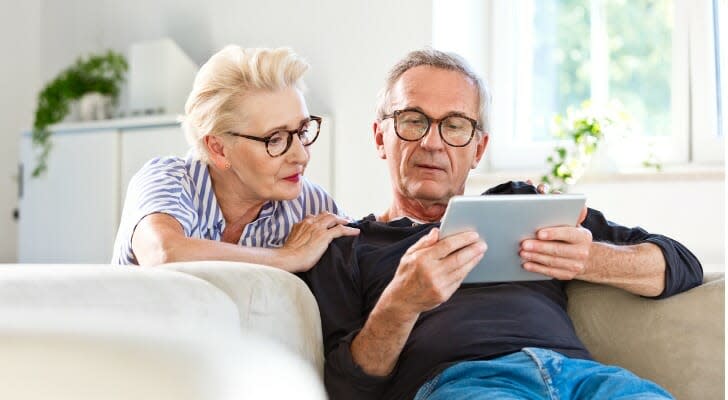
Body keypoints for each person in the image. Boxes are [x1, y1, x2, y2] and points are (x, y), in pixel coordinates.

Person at [300, 49, 703, 400]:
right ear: (379, 137)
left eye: (455, 125)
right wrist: (401, 304)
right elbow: (347, 388)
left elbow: (683, 265)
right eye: (412, 120)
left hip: (583, 378)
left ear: (479, 149)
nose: (432, 143)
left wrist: (591, 259)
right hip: (464, 383)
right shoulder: (346, 246)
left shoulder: (525, 204)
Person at [112, 45, 358, 269]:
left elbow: (361, 260)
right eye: (275, 139)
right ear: (218, 149)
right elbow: (164, 254)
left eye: (303, 131)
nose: (301, 155)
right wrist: (288, 257)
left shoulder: (310, 205)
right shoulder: (167, 180)